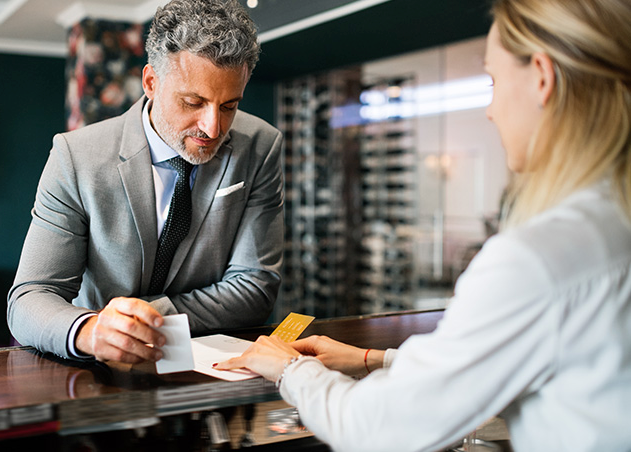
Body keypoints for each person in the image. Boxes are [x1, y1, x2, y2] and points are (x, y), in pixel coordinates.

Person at [216, 0, 631, 450]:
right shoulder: (609, 225)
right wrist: (375, 359)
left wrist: (289, 369)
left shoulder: (538, 258)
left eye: (493, 81)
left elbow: (378, 431)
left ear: (543, 79)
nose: (490, 110)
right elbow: (492, 360)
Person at [8, 0, 283, 364]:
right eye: (192, 102)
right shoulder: (76, 157)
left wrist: (142, 319)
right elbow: (29, 299)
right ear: (151, 82)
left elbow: (255, 288)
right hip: (96, 370)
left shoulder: (261, 146)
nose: (213, 128)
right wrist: (91, 329)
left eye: (229, 106)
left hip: (211, 370)